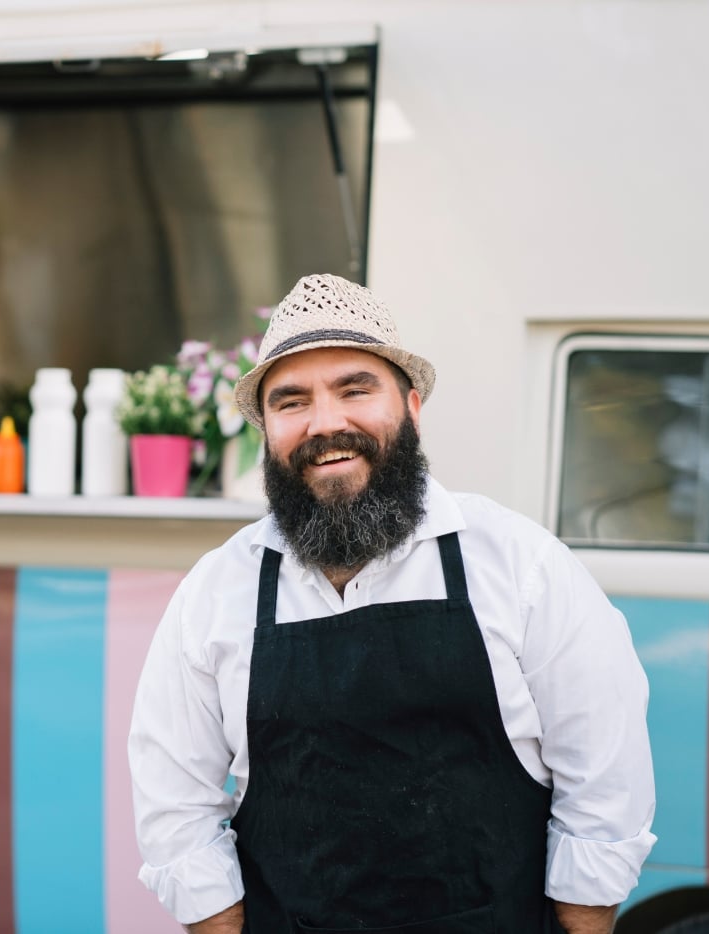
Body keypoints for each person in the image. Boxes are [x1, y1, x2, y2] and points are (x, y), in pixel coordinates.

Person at [128, 274, 655, 934]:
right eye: (292, 402)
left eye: (355, 389)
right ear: (266, 431)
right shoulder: (215, 594)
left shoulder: (521, 566)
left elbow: (604, 788)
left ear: (410, 404)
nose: (327, 424)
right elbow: (175, 810)